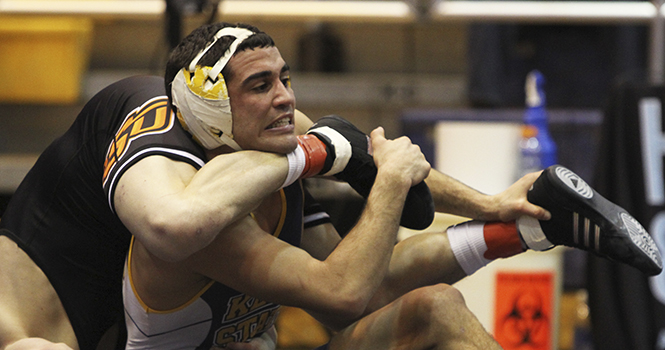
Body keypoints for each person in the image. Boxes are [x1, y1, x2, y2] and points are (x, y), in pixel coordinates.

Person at [0, 21, 659, 350]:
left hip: (163, 314)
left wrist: (500, 213)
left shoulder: (268, 136)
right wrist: (317, 157)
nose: (286, 99)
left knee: (435, 309)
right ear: (208, 110)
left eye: (285, 79)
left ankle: (528, 227)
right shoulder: (170, 176)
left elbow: (357, 268)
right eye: (263, 86)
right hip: (48, 316)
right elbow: (339, 294)